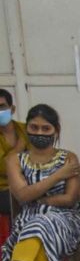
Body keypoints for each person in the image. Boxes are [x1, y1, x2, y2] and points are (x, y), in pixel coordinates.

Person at [0, 104, 80, 261]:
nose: (39, 133)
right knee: (38, 232)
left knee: (40, 227)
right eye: (33, 127)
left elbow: (69, 199)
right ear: (26, 129)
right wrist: (57, 177)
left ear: (55, 131)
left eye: (45, 128)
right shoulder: (14, 159)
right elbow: (22, 195)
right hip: (28, 222)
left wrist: (37, 196)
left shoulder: (69, 158)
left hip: (65, 223)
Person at [0, 89, 28, 227]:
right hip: (3, 189)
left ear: (12, 109)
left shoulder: (26, 129)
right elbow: (4, 168)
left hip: (30, 183)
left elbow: (43, 156)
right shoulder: (23, 138)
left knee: (70, 193)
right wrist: (19, 148)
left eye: (2, 107)